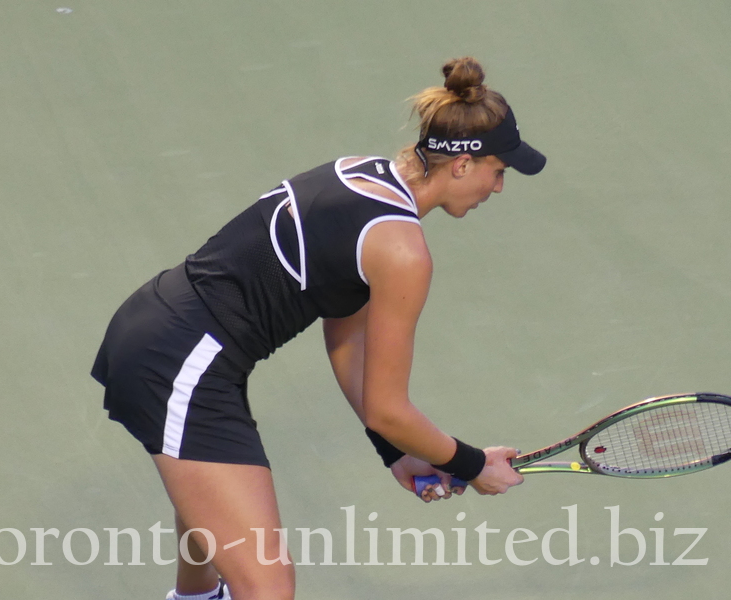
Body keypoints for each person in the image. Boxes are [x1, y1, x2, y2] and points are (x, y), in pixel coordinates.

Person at [91, 56, 545, 600]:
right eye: (500, 171)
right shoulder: (402, 251)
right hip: (184, 364)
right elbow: (388, 409)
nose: (498, 188)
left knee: (212, 510)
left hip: (157, 325)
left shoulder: (357, 173)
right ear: (464, 164)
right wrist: (472, 465)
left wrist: (393, 451)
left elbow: (346, 336)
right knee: (269, 589)